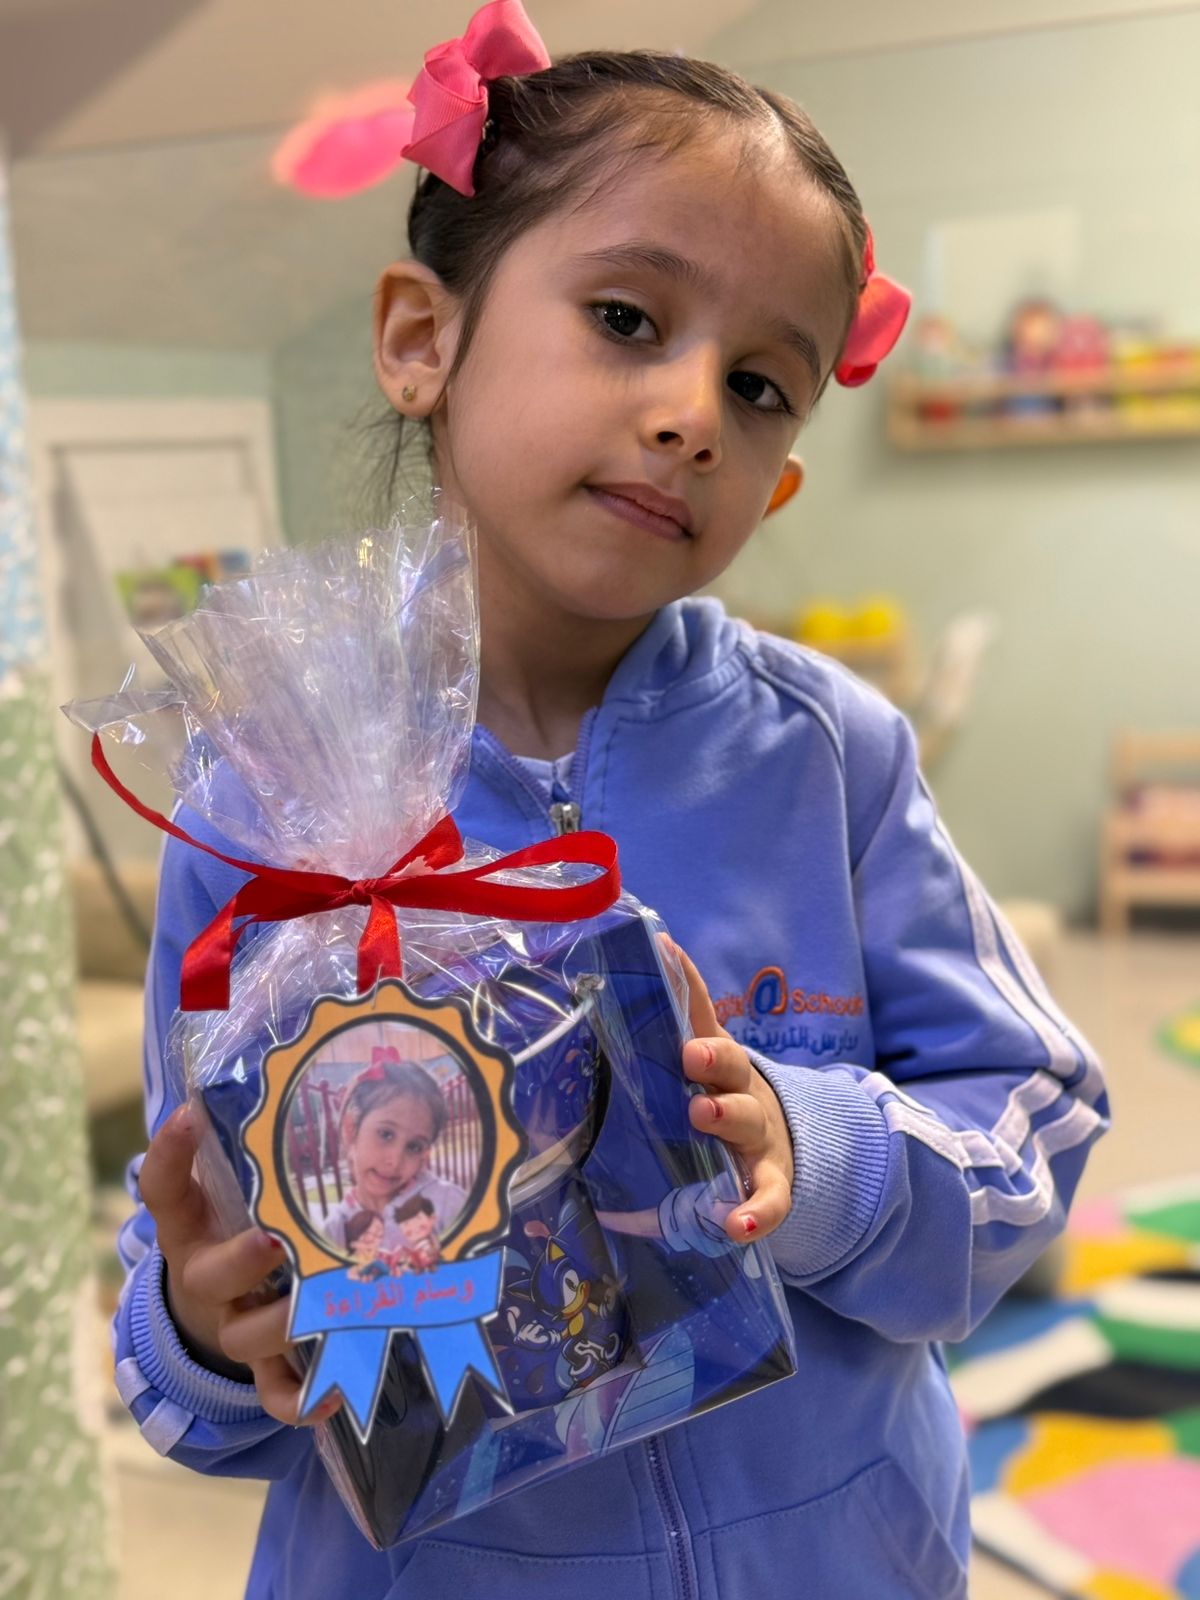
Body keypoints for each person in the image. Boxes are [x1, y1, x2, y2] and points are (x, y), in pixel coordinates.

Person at [118, 4, 1109, 1595]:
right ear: (421, 338)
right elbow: (192, 1272)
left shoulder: (829, 754)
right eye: (629, 318)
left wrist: (821, 1156)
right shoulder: (269, 808)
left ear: (781, 483)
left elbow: (1033, 1120)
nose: (695, 412)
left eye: (764, 386)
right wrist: (202, 1322)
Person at [318, 1055, 467, 1253]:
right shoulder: (335, 1229)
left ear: (425, 1154)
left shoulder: (448, 1204)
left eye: (414, 1147)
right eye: (386, 1134)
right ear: (351, 1129)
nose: (395, 1161)